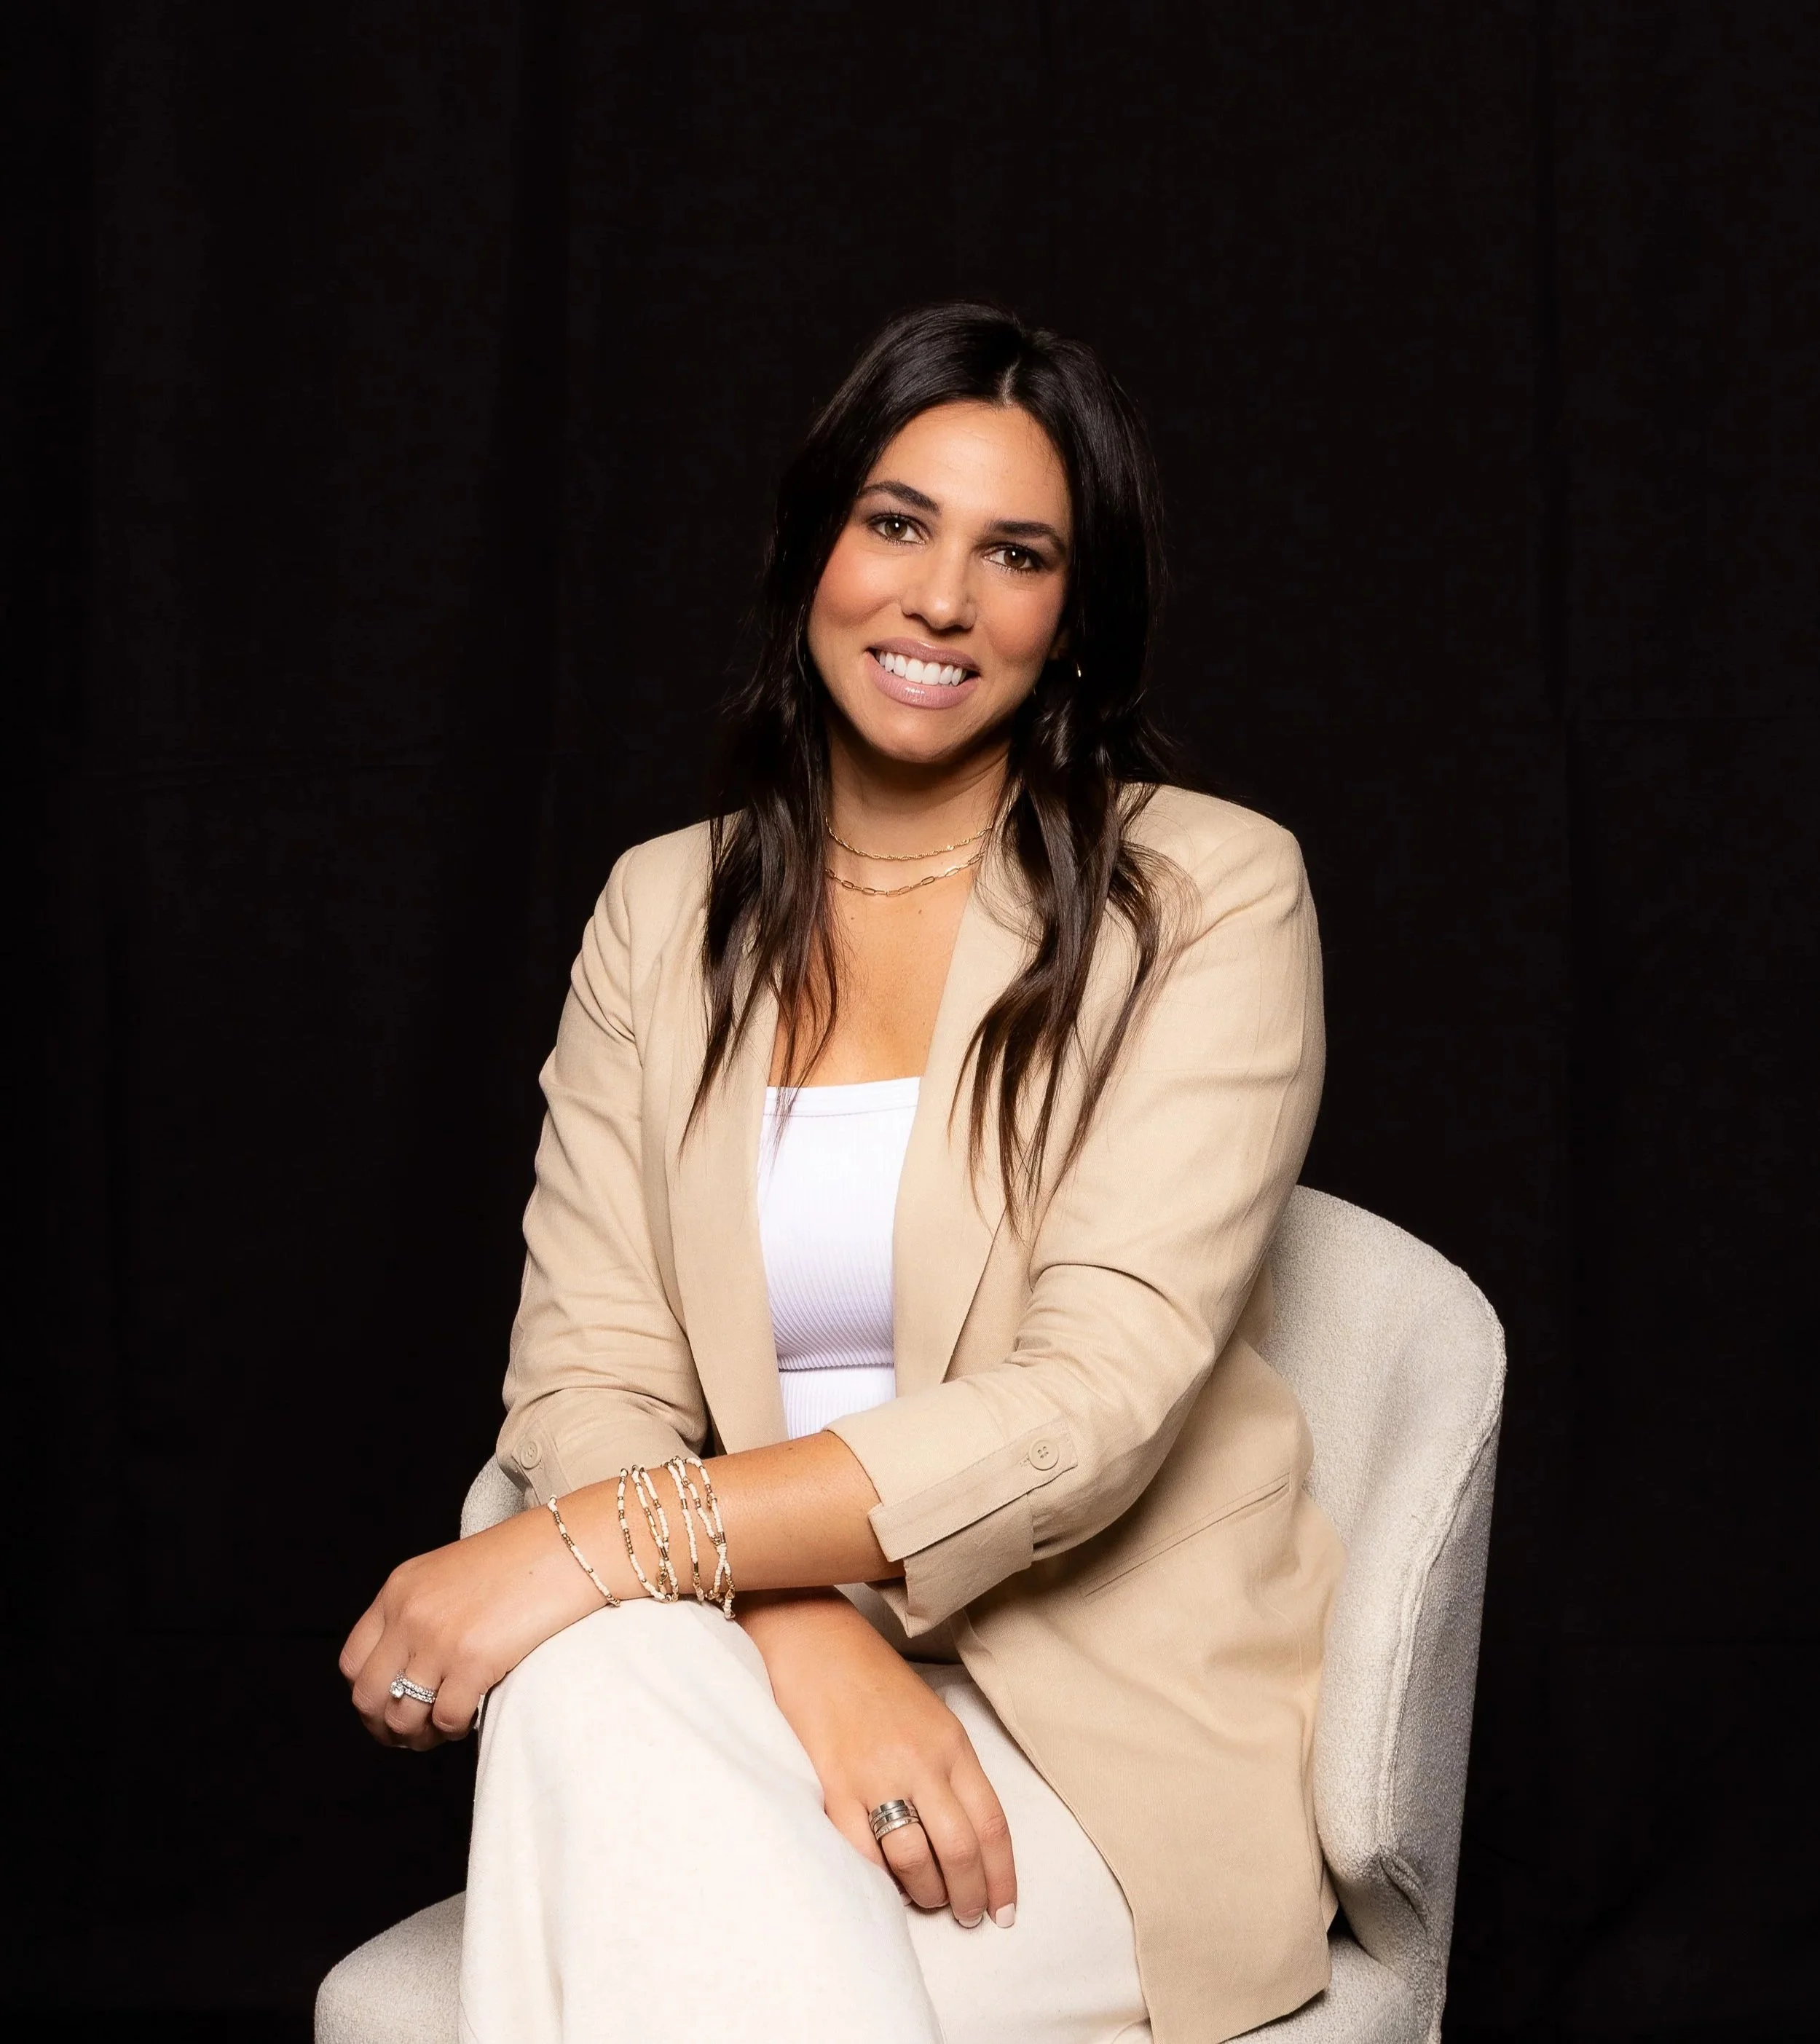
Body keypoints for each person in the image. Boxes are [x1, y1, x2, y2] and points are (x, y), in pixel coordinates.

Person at [339, 302, 1344, 2044]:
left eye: (1015, 553)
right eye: (896, 522)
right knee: (600, 1699)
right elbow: (589, 1371)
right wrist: (801, 1628)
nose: (940, 598)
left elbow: (1088, 1404)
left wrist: (611, 1541)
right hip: (738, 1675)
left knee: (603, 1820)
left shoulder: (1204, 894)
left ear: (1073, 618)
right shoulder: (663, 909)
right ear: (815, 547)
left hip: (1088, 1743)